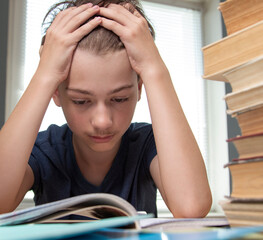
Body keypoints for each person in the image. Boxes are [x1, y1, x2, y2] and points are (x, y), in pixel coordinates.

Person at [0, 0, 212, 217]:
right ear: (55, 92)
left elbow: (191, 207)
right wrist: (44, 76)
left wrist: (153, 67)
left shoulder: (148, 145)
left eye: (119, 99)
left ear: (139, 89)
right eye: (81, 101)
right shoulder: (45, 150)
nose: (102, 121)